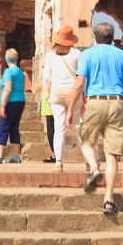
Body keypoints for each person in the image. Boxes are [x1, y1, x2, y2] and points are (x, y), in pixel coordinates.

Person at [66, 22, 123, 215]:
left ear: (95, 37)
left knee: (85, 140)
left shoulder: (88, 54)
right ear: (112, 37)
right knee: (112, 154)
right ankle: (109, 200)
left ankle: (93, 168)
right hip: (117, 103)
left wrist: (70, 109)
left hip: (94, 102)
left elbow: (78, 85)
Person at [42, 25, 81, 172]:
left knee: (59, 129)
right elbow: (82, 76)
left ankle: (58, 162)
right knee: (79, 127)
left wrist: (47, 94)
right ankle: (90, 161)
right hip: (73, 94)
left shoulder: (50, 54)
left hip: (56, 94)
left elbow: (46, 78)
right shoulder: (77, 53)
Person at [0, 48, 26, 164]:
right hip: (20, 100)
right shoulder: (19, 72)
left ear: (6, 59)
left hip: (10, 101)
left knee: (3, 127)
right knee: (14, 128)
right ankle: (16, 156)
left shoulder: (8, 72)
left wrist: (3, 105)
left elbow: (8, 89)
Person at [40, 95, 56, 163]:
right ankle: (54, 154)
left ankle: (55, 155)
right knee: (51, 131)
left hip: (51, 106)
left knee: (51, 132)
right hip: (48, 106)